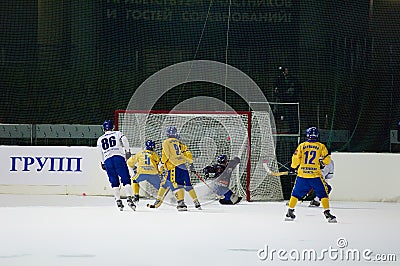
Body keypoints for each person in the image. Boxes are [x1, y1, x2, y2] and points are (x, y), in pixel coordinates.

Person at [285, 127, 337, 223]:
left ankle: (290, 212)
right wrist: (321, 164)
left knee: (295, 193)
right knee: (323, 193)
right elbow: (327, 159)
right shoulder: (321, 146)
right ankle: (327, 213)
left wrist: (293, 167)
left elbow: (296, 158)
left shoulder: (302, 145)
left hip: (302, 175)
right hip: (315, 176)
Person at [148, 126, 201, 211]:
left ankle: (181, 203)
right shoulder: (179, 142)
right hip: (183, 166)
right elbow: (188, 154)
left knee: (175, 184)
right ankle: (196, 202)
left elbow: (166, 155)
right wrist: (191, 164)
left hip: (173, 167)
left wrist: (162, 164)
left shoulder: (166, 142)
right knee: (187, 184)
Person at [97, 119, 136, 211]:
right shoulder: (117, 133)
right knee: (125, 178)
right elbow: (124, 139)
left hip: (107, 160)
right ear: (113, 127)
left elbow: (99, 152)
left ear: (104, 129)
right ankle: (129, 198)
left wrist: (102, 162)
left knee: (114, 180)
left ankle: (118, 200)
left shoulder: (100, 139)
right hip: (118, 157)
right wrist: (127, 151)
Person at [127, 140, 162, 204]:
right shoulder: (155, 154)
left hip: (142, 173)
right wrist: (159, 172)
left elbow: (129, 162)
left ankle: (136, 196)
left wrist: (134, 167)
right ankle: (164, 198)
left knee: (134, 180)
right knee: (161, 187)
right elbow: (159, 164)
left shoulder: (140, 153)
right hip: (153, 174)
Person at [273, 67, 301, 133]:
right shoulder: (279, 79)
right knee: (278, 112)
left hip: (291, 101)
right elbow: (276, 88)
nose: (285, 72)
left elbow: (293, 90)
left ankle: (295, 130)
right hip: (282, 99)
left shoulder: (293, 80)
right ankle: (276, 128)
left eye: (286, 71)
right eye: (284, 71)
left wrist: (286, 94)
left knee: (293, 115)